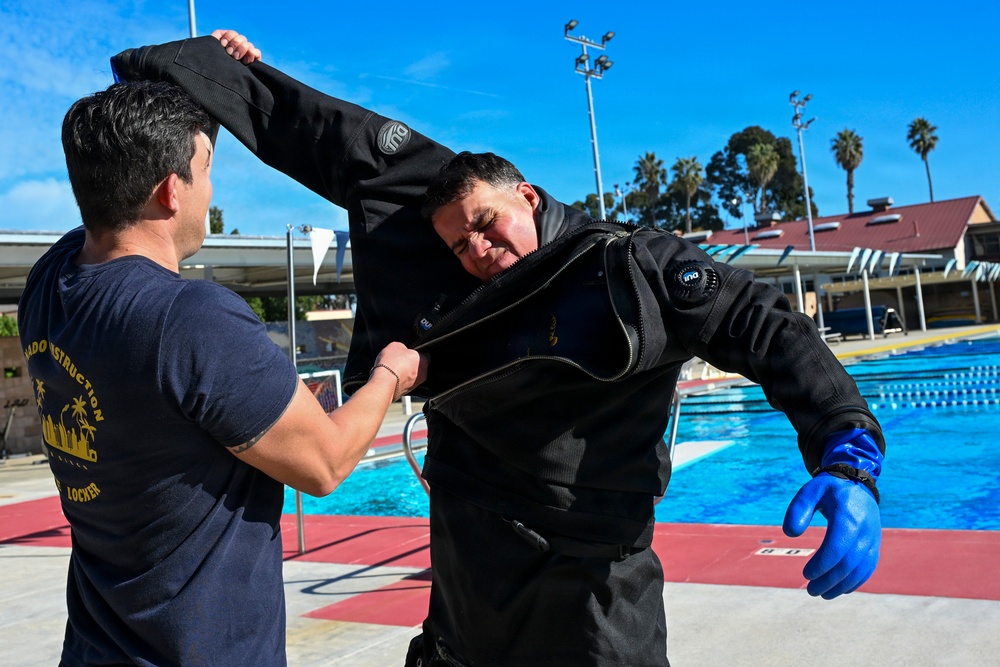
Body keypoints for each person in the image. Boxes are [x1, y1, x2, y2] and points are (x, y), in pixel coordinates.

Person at [112, 33, 884, 666]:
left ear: (529, 196)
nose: (477, 248)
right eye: (458, 242)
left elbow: (764, 323)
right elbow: (331, 140)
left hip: (596, 604)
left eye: (487, 223)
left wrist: (848, 454)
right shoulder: (450, 281)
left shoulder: (630, 266)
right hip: (467, 596)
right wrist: (210, 74)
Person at [18, 77, 425, 666]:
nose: (210, 190)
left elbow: (115, 169)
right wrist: (390, 373)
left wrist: (205, 74)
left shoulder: (49, 285)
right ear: (170, 191)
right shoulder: (189, 319)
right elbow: (326, 462)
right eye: (204, 169)